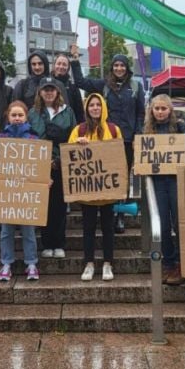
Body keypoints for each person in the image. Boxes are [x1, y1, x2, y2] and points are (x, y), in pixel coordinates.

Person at [72, 54, 145, 233]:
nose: (119, 68)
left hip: (126, 139)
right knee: (103, 176)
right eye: (116, 65)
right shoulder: (104, 84)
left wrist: (137, 135)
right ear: (112, 68)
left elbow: (140, 113)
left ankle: (119, 216)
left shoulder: (136, 86)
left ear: (127, 68)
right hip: (104, 139)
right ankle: (101, 212)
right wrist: (74, 60)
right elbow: (81, 82)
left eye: (122, 65)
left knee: (121, 178)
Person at [67, 93, 121, 282]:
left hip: (107, 191)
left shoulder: (114, 129)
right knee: (88, 228)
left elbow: (118, 155)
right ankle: (88, 263)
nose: (95, 108)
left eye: (98, 105)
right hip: (87, 191)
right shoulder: (79, 129)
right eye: (92, 105)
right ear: (87, 108)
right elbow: (70, 155)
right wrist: (77, 144)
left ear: (103, 107)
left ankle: (108, 263)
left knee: (108, 228)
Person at [140, 94, 185, 285]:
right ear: (151, 111)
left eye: (164, 108)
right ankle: (168, 263)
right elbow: (142, 156)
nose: (160, 112)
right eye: (157, 108)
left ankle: (180, 264)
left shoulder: (180, 126)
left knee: (179, 223)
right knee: (162, 225)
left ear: (170, 110)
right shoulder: (146, 130)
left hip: (177, 180)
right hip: (157, 183)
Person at [28, 77, 77, 259]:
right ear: (40, 92)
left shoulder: (68, 111)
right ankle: (46, 243)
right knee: (43, 206)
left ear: (57, 92)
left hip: (60, 164)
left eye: (52, 89)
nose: (49, 92)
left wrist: (61, 138)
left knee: (59, 206)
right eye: (45, 89)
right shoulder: (32, 113)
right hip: (40, 165)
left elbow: (73, 135)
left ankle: (59, 242)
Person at [0, 101, 41, 281]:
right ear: (8, 117)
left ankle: (31, 263)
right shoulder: (1, 138)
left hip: (27, 192)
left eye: (20, 115)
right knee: (6, 230)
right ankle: (6, 263)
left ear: (26, 117)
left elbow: (39, 166)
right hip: (7, 192)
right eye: (13, 115)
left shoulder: (34, 139)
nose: (17, 118)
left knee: (28, 230)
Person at [53, 45, 85, 123]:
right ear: (54, 66)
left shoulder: (73, 87)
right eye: (59, 63)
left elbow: (79, 112)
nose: (61, 66)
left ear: (68, 68)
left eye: (64, 64)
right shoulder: (47, 84)